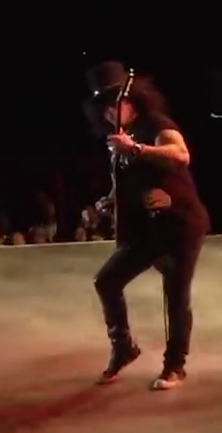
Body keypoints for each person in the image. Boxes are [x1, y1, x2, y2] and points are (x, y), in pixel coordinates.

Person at [82, 61, 210, 391]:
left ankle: (175, 365)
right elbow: (127, 181)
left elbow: (180, 155)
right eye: (103, 107)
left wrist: (137, 148)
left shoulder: (156, 124)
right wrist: (109, 201)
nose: (109, 112)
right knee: (107, 280)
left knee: (175, 294)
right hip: (149, 228)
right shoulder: (118, 139)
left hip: (180, 223)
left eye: (114, 103)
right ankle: (123, 347)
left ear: (131, 99)